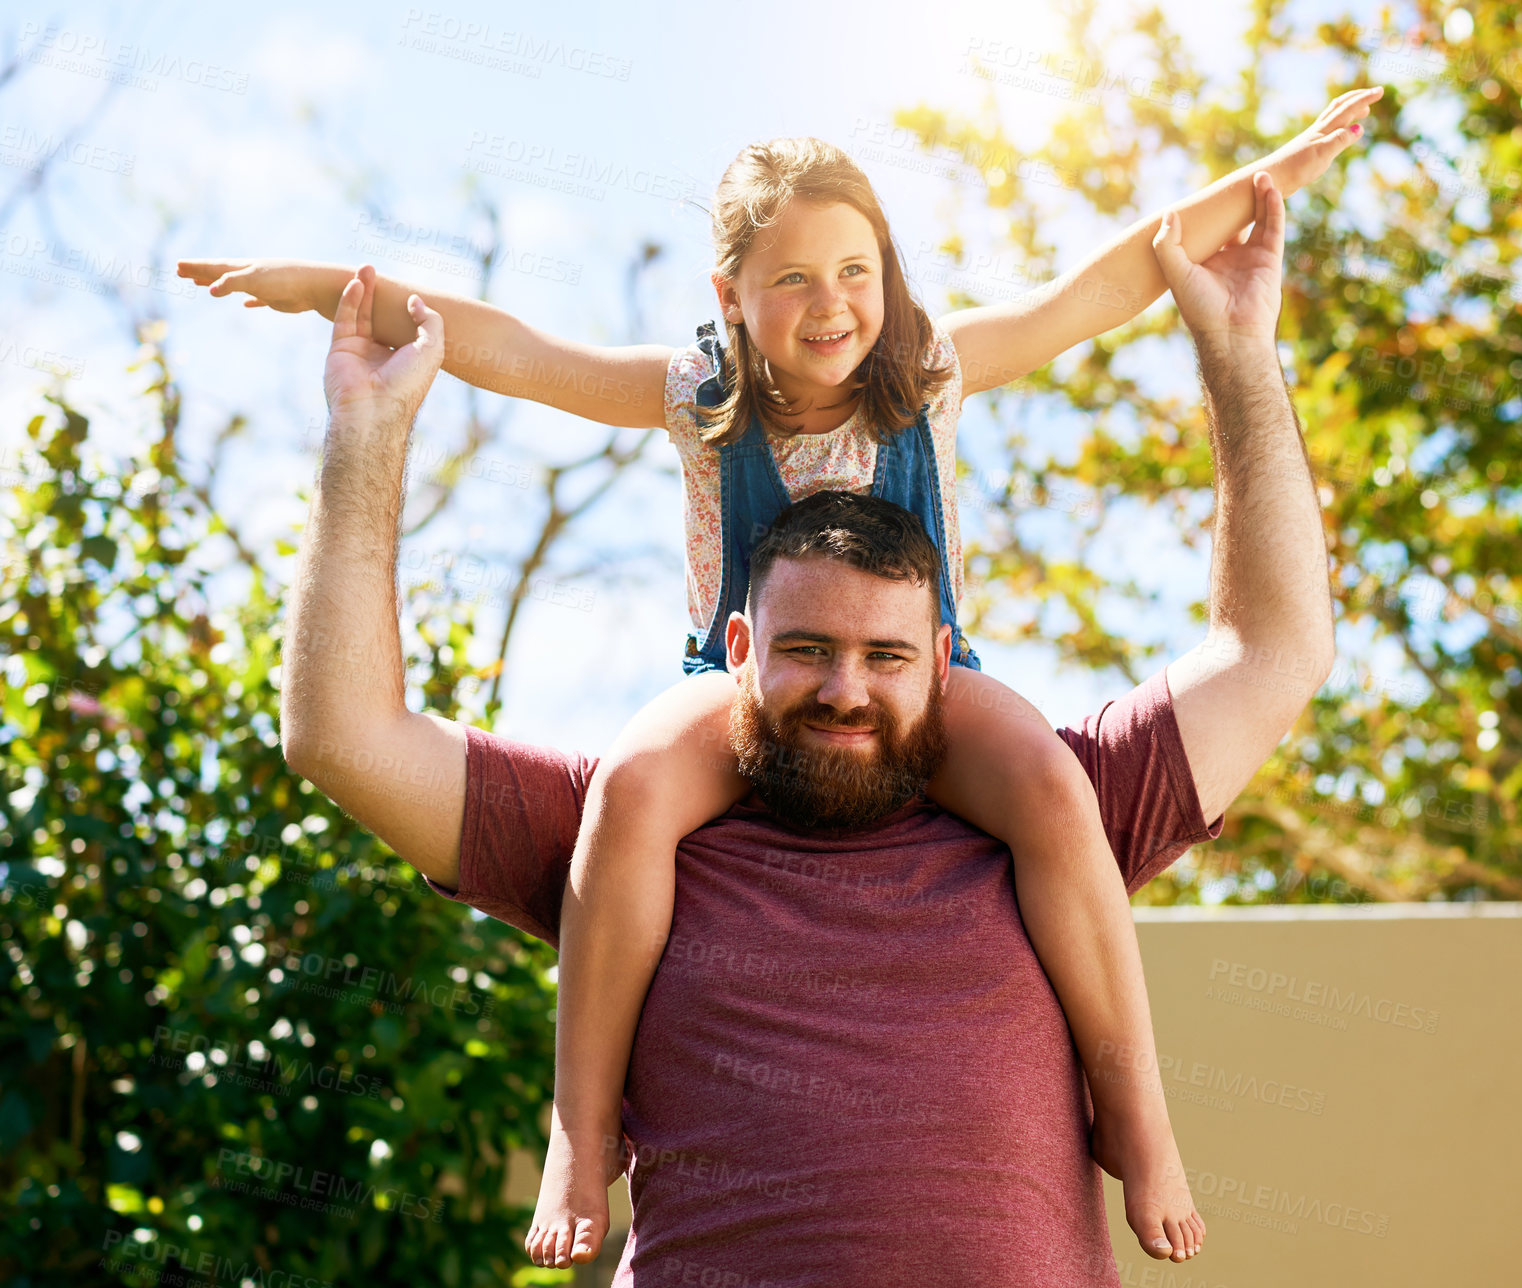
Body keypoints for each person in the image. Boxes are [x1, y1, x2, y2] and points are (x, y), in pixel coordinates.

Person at [197, 89, 1367, 1270]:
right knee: (629, 797)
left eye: (854, 270)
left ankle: (1146, 1126)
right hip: (728, 688)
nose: (830, 306)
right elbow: (508, 346)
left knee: (1058, 797)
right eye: (793, 279)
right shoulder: (695, 395)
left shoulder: (929, 370)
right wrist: (322, 292)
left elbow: (1099, 288)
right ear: (729, 298)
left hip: (944, 682)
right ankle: (576, 1127)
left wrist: (1264, 183)